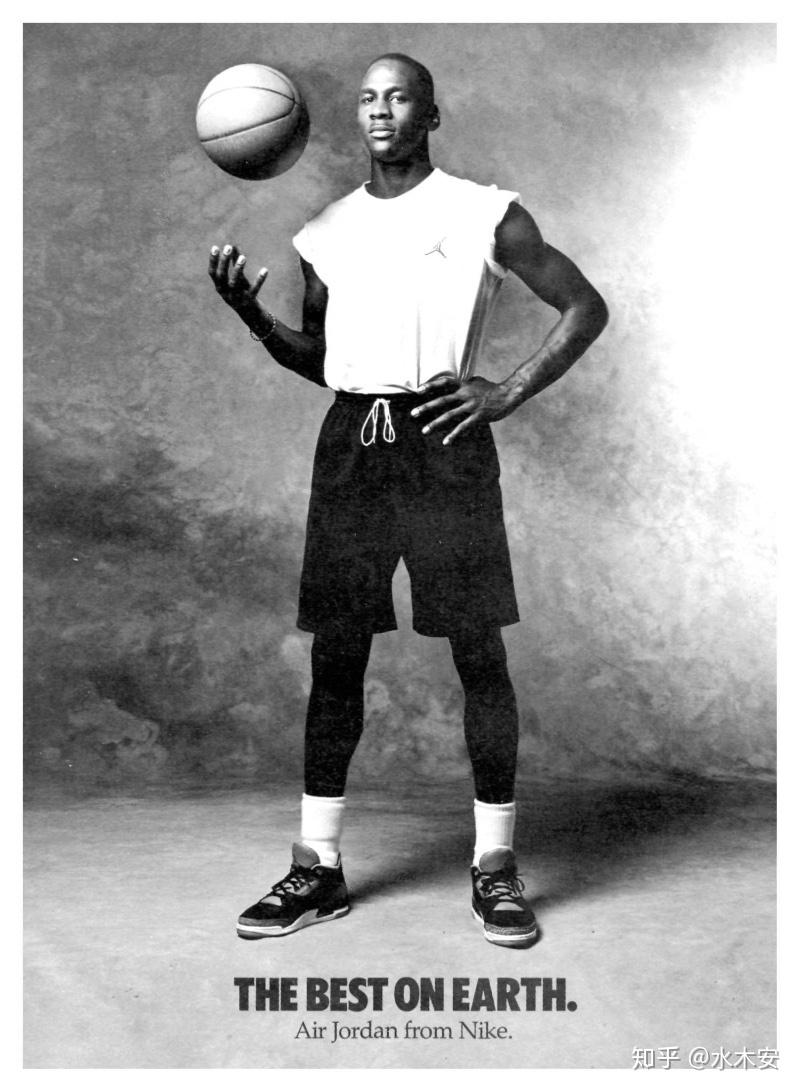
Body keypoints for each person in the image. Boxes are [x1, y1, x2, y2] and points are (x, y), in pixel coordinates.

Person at [208, 53, 608, 948]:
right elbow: (323, 360)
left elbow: (585, 306)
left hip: (444, 444)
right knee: (336, 658)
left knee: (478, 654)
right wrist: (254, 319)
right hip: (352, 445)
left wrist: (507, 390)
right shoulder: (325, 231)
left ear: (431, 114)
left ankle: (495, 866)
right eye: (368, 98)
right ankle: (317, 866)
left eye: (398, 97)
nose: (380, 110)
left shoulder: (485, 213)